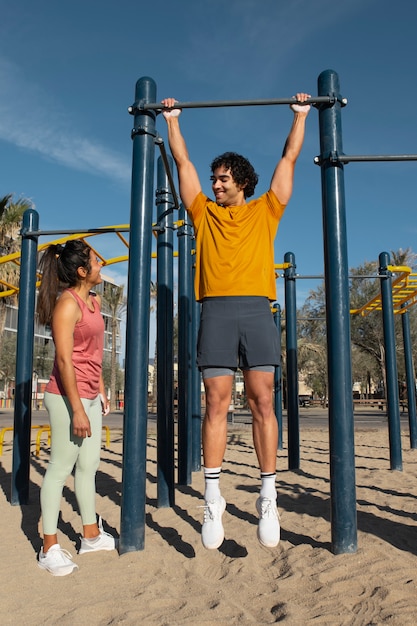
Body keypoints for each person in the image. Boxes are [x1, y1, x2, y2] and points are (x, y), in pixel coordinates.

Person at [162, 93, 311, 550]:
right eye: (215, 179)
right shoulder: (203, 213)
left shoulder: (266, 210)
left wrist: (300, 115)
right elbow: (182, 162)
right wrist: (173, 119)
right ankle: (213, 497)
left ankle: (268, 495)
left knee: (264, 401)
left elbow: (289, 156)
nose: (216, 184)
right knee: (216, 402)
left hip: (256, 309)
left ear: (241, 181)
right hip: (218, 311)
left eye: (223, 179)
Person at [36, 240, 116, 576]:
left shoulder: (94, 302)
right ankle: (49, 546)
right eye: (96, 260)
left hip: (88, 395)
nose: (101, 263)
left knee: (89, 465)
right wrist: (78, 409)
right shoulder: (66, 306)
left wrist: (98, 390)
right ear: (82, 272)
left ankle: (90, 534)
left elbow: (92, 353)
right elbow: (65, 360)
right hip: (65, 396)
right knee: (59, 468)